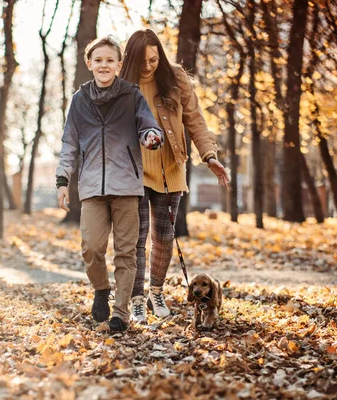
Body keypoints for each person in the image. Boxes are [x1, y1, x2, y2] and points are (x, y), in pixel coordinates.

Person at [119, 29, 230, 322]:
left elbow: (195, 119)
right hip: (136, 170)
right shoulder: (122, 83)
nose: (148, 66)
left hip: (171, 168)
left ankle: (156, 290)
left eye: (154, 60)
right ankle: (137, 298)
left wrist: (210, 156)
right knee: (138, 238)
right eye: (142, 61)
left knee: (165, 238)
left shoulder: (177, 78)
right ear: (131, 58)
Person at [56, 35, 164, 332]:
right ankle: (102, 289)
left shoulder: (131, 95)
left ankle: (121, 314)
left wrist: (151, 138)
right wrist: (63, 180)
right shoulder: (79, 100)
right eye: (98, 60)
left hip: (127, 186)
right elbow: (70, 143)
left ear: (118, 64)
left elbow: (147, 125)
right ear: (89, 63)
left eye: (110, 60)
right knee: (91, 248)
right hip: (91, 187)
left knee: (127, 253)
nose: (104, 65)